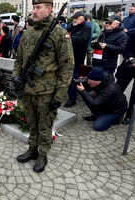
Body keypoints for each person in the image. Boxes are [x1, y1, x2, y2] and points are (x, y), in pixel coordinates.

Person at [12, 0, 74, 173]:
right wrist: (16, 77)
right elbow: (19, 59)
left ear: (49, 9)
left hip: (47, 90)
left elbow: (67, 66)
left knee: (44, 125)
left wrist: (59, 95)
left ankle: (43, 154)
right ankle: (32, 149)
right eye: (34, 7)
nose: (34, 10)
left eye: (38, 7)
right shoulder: (28, 33)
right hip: (28, 88)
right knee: (31, 122)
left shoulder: (59, 34)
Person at [76, 67, 127, 131]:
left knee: (98, 126)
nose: (88, 82)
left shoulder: (110, 89)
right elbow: (89, 91)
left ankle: (117, 118)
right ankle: (97, 115)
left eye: (89, 80)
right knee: (89, 96)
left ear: (97, 81)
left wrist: (82, 90)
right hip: (106, 105)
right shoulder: (101, 79)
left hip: (115, 111)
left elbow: (95, 103)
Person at [64, 11, 91, 107]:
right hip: (66, 55)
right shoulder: (70, 26)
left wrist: (70, 38)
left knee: (74, 78)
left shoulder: (86, 28)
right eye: (73, 18)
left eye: (76, 18)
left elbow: (82, 40)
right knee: (65, 76)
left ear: (82, 18)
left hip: (77, 57)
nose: (74, 20)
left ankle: (72, 99)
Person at [115, 31, 135, 125]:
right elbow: (127, 48)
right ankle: (113, 110)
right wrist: (130, 58)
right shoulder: (134, 34)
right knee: (118, 89)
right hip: (129, 66)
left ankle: (129, 116)